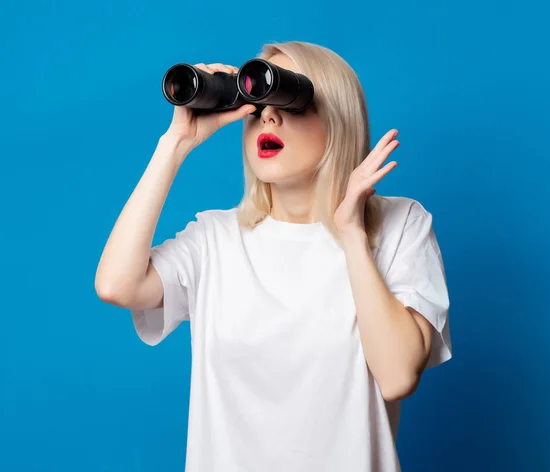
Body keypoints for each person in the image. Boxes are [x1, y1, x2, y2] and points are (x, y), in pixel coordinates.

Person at [95, 40, 452, 472]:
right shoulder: (216, 240)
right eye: (256, 103)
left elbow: (397, 376)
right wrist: (176, 143)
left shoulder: (399, 226)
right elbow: (116, 285)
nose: (268, 115)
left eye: (290, 99)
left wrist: (352, 233)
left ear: (339, 120)